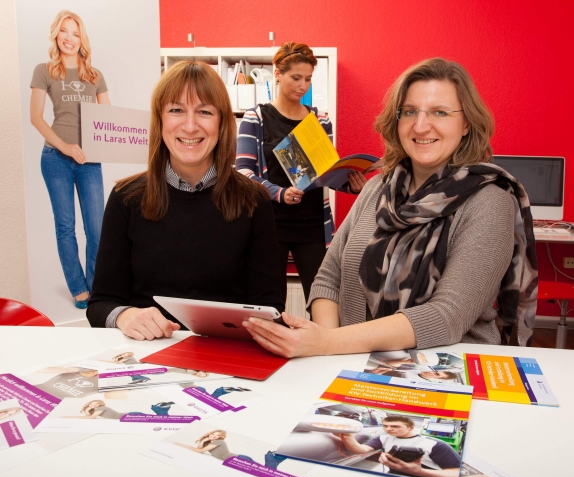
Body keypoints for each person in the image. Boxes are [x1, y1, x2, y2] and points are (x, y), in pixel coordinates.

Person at [242, 58, 538, 357]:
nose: (421, 126)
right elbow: (329, 276)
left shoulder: (491, 202)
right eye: (409, 112)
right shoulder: (376, 189)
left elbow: (448, 316)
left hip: (445, 374)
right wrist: (328, 352)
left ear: (466, 124)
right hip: (351, 366)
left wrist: (329, 343)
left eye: (440, 112)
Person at [86, 60, 284, 340]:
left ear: (223, 123)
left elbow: (270, 307)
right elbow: (100, 305)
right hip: (145, 359)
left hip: (225, 358)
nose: (190, 126)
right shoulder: (125, 198)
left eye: (204, 111)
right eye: (176, 110)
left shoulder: (254, 201)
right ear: (160, 119)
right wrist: (126, 316)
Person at [236, 42, 367, 304]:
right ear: (277, 73)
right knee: (269, 300)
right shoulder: (256, 118)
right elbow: (242, 174)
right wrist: (279, 193)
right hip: (270, 224)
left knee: (324, 299)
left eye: (308, 79)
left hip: (313, 227)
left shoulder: (320, 121)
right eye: (296, 77)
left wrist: (349, 184)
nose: (302, 86)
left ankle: (321, 344)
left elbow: (326, 171)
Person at [30, 10, 111, 309]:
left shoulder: (94, 75)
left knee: (97, 228)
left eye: (75, 33)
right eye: (64, 31)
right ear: (56, 35)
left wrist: (118, 145)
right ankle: (78, 288)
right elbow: (36, 118)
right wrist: (64, 146)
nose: (69, 38)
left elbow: (109, 119)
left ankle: (94, 285)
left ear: (82, 39)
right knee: (65, 225)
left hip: (90, 160)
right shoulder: (45, 71)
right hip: (55, 158)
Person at [337, 415, 461, 477]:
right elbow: (361, 451)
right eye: (385, 426)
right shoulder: (383, 438)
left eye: (395, 426)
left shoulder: (435, 444)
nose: (388, 429)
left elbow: (457, 474)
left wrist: (419, 472)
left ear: (411, 428)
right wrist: (348, 437)